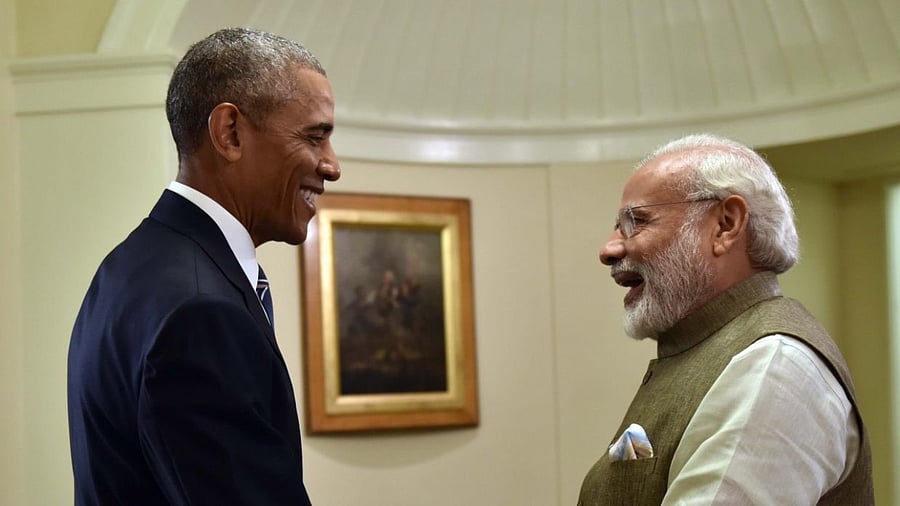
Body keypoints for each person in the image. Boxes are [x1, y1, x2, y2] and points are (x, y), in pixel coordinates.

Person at [67, 27, 340, 505]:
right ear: (230, 133)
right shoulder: (202, 309)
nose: (332, 165)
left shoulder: (129, 266)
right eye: (314, 137)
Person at [577, 134, 873, 505]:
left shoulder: (773, 365)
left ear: (725, 225)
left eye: (635, 222)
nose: (609, 249)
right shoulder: (708, 349)